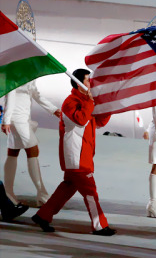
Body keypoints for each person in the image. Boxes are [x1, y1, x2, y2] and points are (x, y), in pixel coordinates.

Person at [31, 69, 116, 236]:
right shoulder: (70, 102)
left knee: (67, 187)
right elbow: (81, 119)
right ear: (79, 84)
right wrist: (90, 102)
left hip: (82, 155)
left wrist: (108, 107)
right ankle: (100, 225)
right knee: (90, 192)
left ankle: (43, 215)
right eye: (88, 81)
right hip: (76, 157)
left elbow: (98, 122)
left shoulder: (85, 101)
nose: (91, 83)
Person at [1, 80, 61, 207]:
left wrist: (53, 109)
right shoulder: (16, 71)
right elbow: (10, 95)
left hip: (24, 118)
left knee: (13, 152)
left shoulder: (30, 73)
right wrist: (6, 120)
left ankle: (8, 193)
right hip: (16, 118)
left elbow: (35, 93)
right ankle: (42, 194)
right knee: (33, 150)